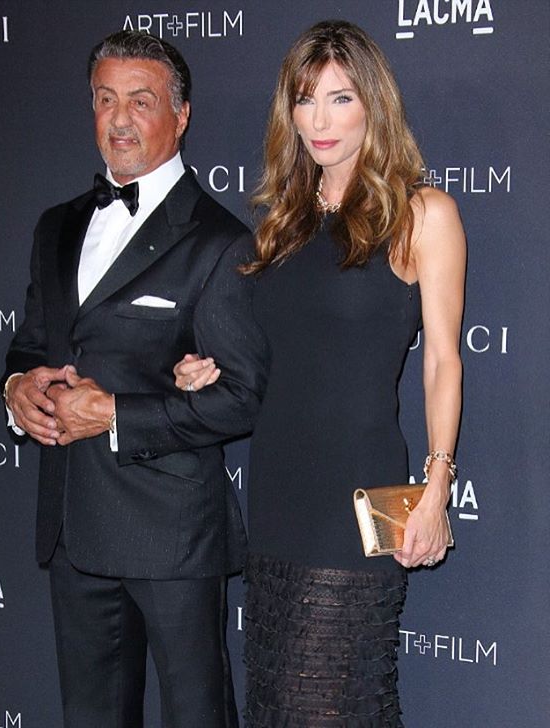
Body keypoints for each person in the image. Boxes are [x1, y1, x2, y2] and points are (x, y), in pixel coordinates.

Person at [174, 20, 466, 727]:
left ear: (373, 104)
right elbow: (279, 355)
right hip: (278, 493)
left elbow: (441, 361)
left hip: (355, 496)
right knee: (279, 706)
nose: (319, 121)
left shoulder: (422, 214)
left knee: (330, 705)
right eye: (305, 101)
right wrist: (209, 370)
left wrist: (437, 485)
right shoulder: (284, 223)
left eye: (340, 99)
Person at [1, 30, 268, 728]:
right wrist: (16, 389)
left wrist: (116, 413)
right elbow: (29, 345)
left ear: (180, 116)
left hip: (171, 533)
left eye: (140, 101)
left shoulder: (219, 241)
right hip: (72, 526)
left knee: (196, 716)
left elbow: (242, 398)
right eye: (105, 99)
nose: (119, 119)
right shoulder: (56, 227)